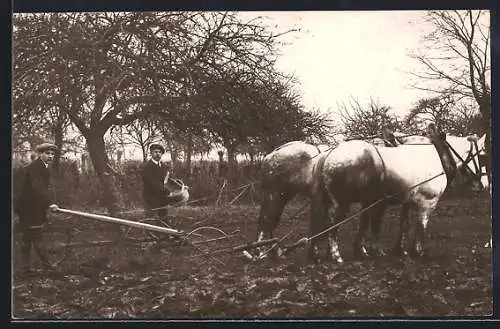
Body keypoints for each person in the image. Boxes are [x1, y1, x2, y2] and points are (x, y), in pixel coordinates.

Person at [14, 142, 60, 273]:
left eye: (52, 154)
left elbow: (43, 189)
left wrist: (49, 202)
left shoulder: (44, 167)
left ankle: (25, 268)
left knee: (27, 237)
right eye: (47, 153)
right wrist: (50, 203)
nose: (50, 156)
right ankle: (47, 266)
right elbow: (37, 188)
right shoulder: (35, 168)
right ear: (40, 154)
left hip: (31, 206)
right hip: (28, 207)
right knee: (37, 235)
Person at [141, 143, 171, 223]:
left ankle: (165, 234)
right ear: (151, 153)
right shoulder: (147, 167)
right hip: (151, 198)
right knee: (152, 220)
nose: (158, 154)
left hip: (162, 197)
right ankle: (152, 234)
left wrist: (180, 186)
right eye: (155, 152)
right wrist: (165, 190)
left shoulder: (163, 166)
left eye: (160, 152)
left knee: (164, 218)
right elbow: (152, 182)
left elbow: (167, 179)